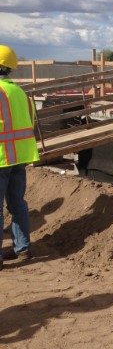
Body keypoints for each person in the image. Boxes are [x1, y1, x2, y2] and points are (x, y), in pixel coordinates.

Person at [0, 45, 39, 270]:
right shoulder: (22, 94)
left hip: (1, 158)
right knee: (17, 204)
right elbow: (30, 123)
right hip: (20, 157)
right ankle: (22, 249)